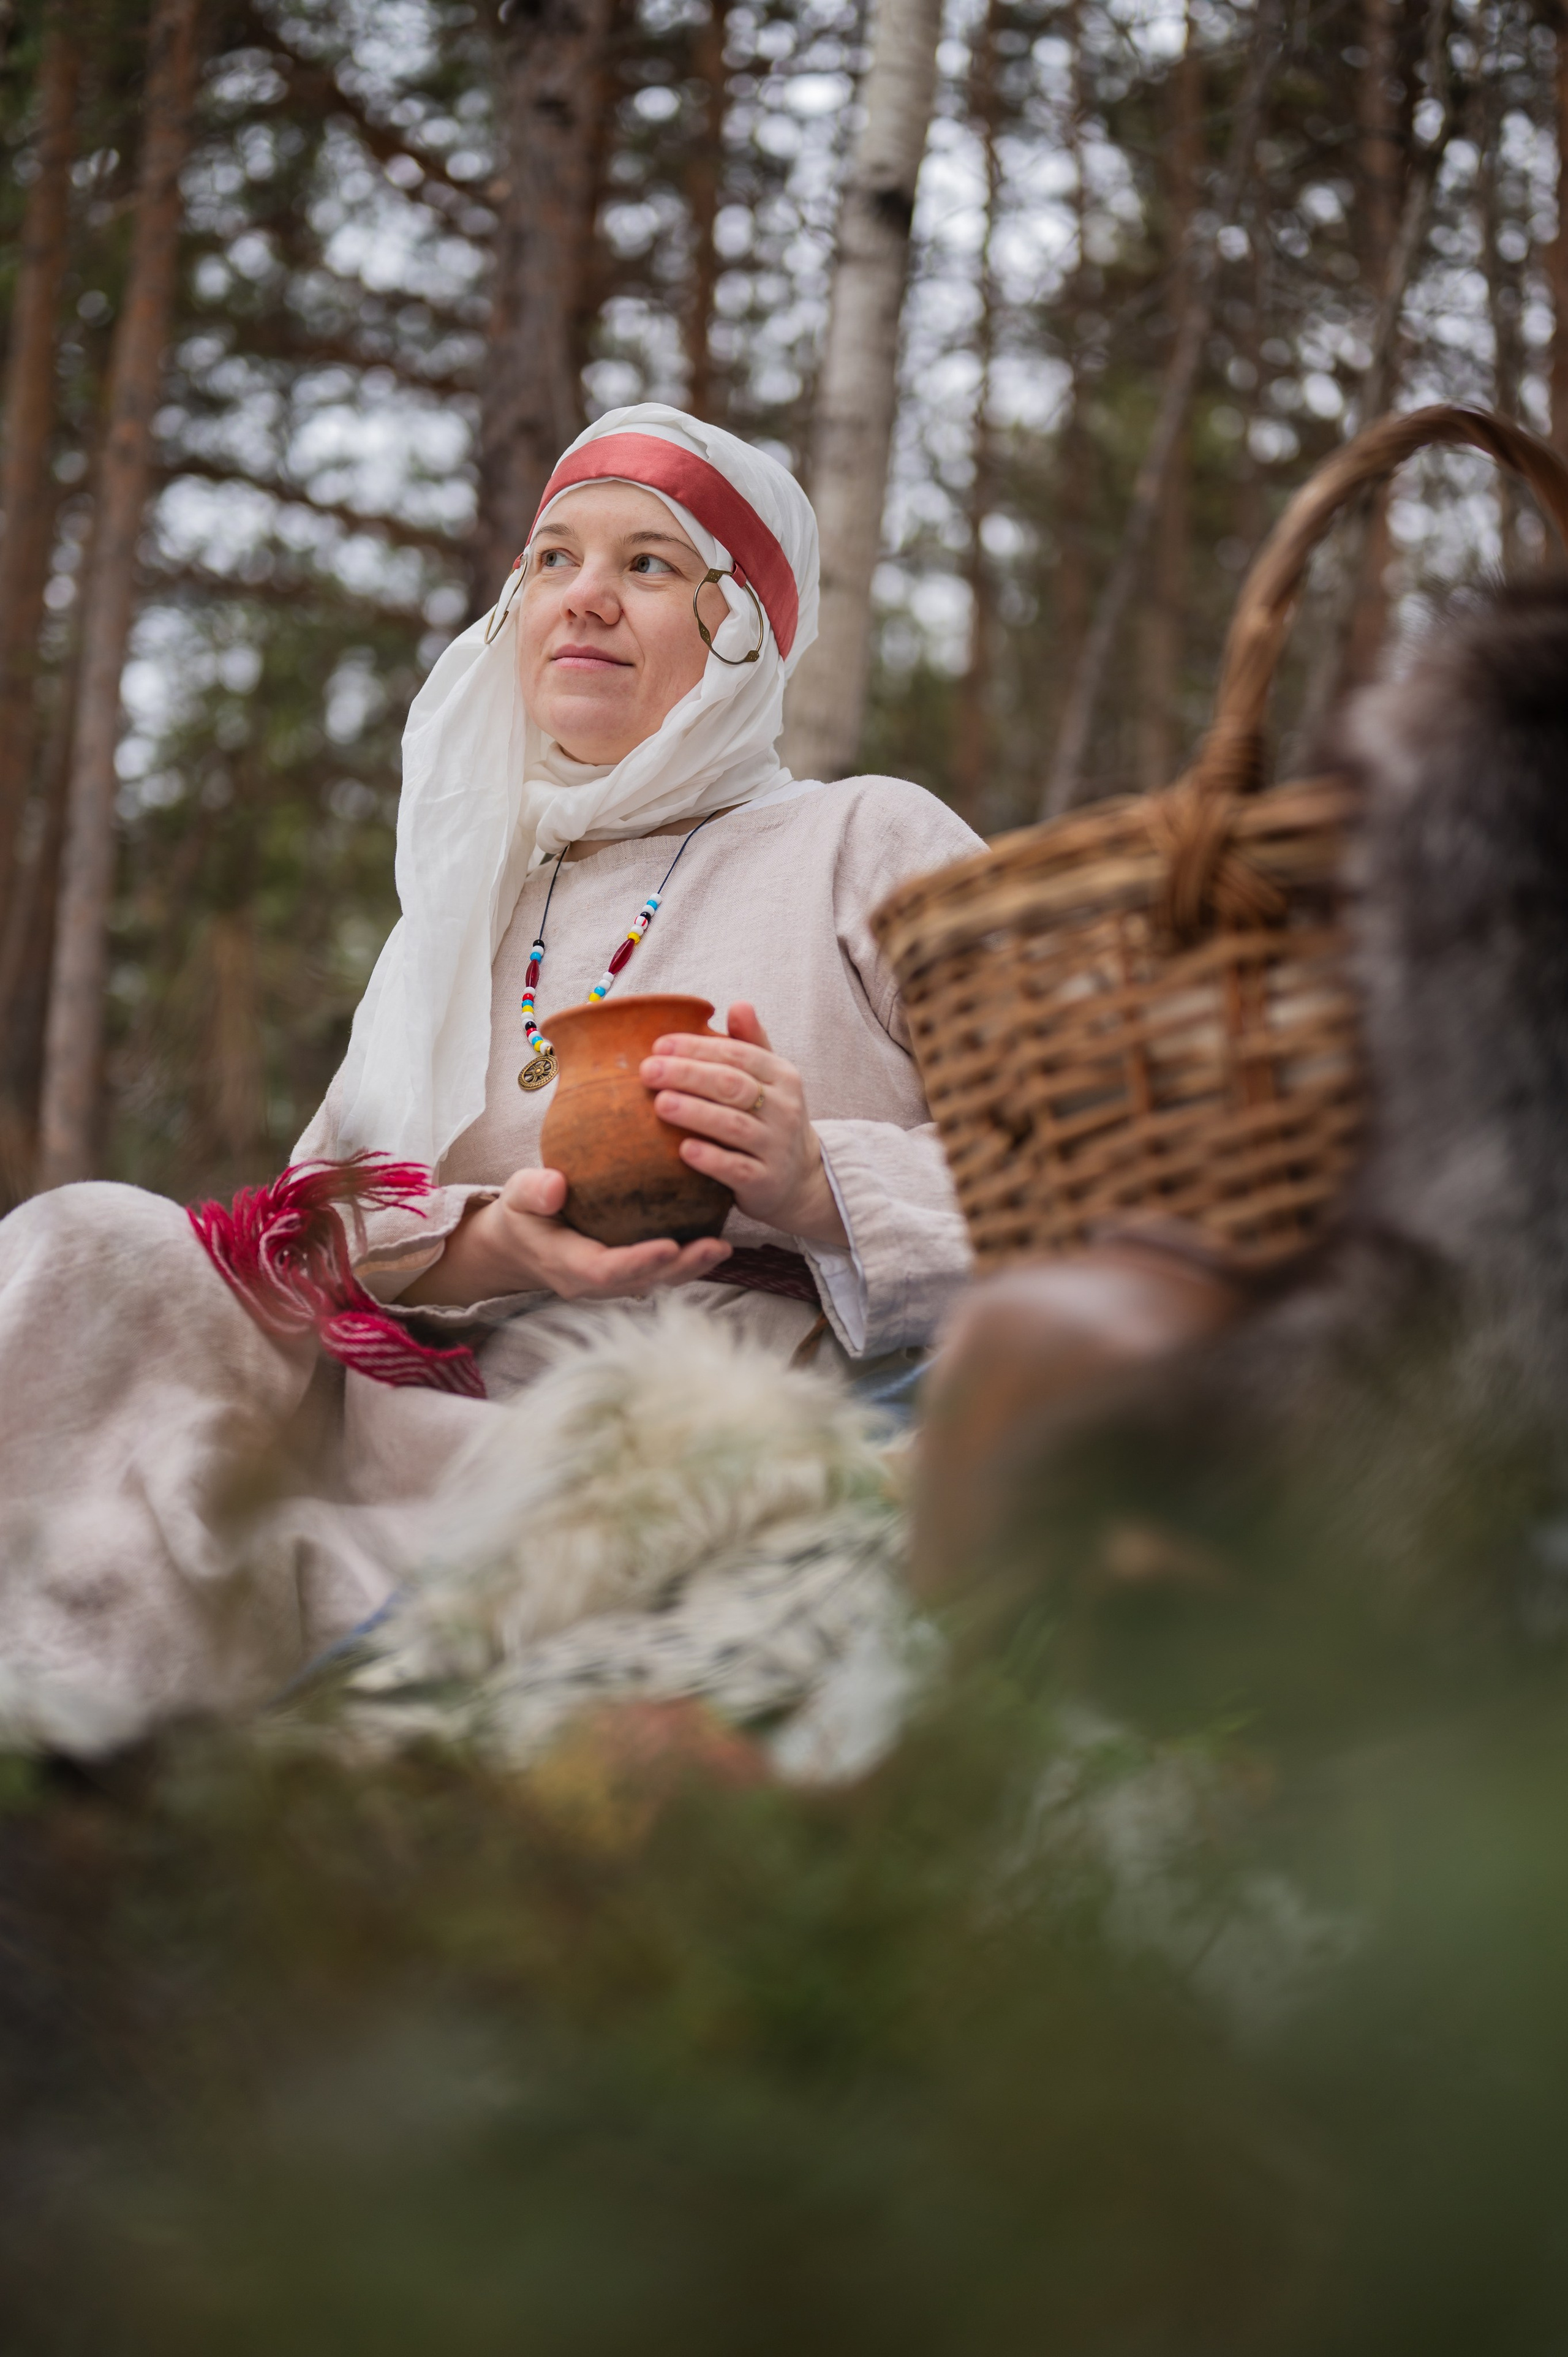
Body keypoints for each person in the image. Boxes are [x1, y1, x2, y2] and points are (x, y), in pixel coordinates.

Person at [0, 404, 981, 1752]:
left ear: (744, 625)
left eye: (648, 564)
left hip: (688, 1428)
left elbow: (1098, 1175)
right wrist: (489, 1242)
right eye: (553, 560)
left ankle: (176, 1719)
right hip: (403, 1398)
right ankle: (65, 1698)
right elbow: (310, 1226)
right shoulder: (470, 904)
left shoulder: (867, 836)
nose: (583, 597)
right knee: (96, 1239)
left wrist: (819, 1184)